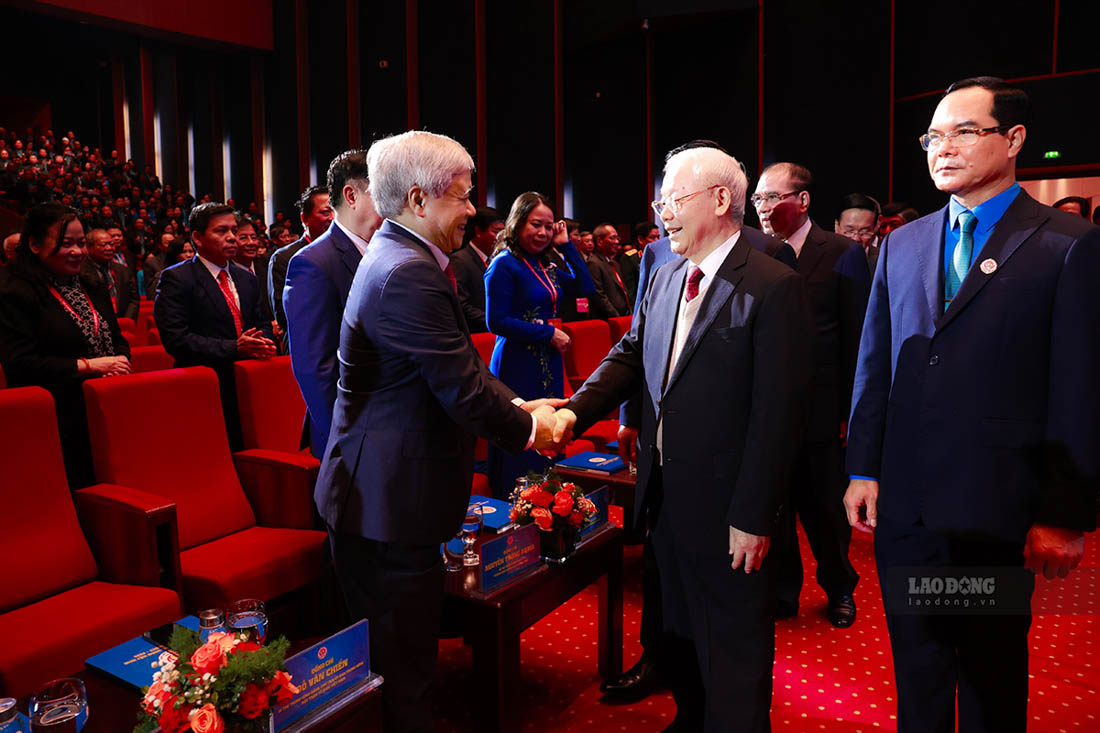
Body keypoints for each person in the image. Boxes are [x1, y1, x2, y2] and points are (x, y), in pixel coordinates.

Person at [844, 76, 1100, 732]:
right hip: (908, 512)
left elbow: (1078, 388)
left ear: (1013, 139)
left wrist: (1064, 513)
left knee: (989, 678)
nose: (943, 147)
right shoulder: (902, 243)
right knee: (919, 671)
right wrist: (864, 467)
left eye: (965, 131)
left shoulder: (1065, 243)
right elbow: (875, 365)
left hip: (996, 513)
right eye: (933, 135)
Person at [314, 130, 564, 733]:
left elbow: (461, 367)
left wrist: (522, 402)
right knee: (404, 675)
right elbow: (462, 388)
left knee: (410, 660)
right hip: (384, 507)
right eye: (463, 196)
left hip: (393, 500)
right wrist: (533, 429)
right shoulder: (407, 272)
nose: (475, 209)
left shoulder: (410, 257)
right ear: (420, 201)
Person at [553, 144, 810, 731]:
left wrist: (753, 515)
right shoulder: (666, 275)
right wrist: (573, 413)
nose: (661, 212)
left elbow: (778, 415)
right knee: (683, 628)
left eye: (672, 199)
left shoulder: (773, 284)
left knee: (734, 644)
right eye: (659, 200)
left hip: (730, 505)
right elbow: (630, 354)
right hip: (665, 490)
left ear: (721, 200)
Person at [751, 162, 870, 627]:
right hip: (767, 408)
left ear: (802, 201)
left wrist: (849, 412)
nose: (761, 207)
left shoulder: (841, 251)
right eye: (757, 199)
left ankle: (840, 587)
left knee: (826, 511)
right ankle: (783, 591)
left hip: (823, 412)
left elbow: (858, 339)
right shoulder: (754, 251)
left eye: (771, 197)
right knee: (774, 506)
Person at [0, 203, 131, 488]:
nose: (77, 252)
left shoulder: (88, 282)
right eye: (66, 244)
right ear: (34, 245)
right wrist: (88, 366)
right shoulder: (14, 290)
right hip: (53, 417)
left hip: (104, 404)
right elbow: (20, 363)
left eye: (81, 243)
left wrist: (118, 362)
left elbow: (116, 337)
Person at [484, 191, 596, 497]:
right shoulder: (504, 265)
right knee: (522, 430)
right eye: (536, 225)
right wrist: (547, 333)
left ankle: (546, 502)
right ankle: (515, 500)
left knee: (549, 429)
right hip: (517, 361)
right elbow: (496, 321)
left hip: (548, 359)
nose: (544, 233)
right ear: (518, 223)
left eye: (549, 227)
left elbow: (585, 287)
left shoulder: (542, 263)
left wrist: (566, 246)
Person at [284, 149, 382, 458]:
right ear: (351, 195)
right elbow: (316, 369)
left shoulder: (388, 252)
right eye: (384, 192)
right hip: (353, 435)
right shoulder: (313, 263)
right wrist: (347, 440)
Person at [153, 202, 276, 451]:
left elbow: (262, 321)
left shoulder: (246, 278)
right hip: (203, 384)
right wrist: (235, 347)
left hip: (248, 381)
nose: (231, 238)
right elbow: (176, 339)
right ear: (197, 237)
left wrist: (261, 340)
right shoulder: (177, 278)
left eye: (233, 230)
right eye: (221, 231)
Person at [268, 186, 334, 347]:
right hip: (305, 346)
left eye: (335, 210)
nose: (332, 217)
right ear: (305, 219)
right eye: (325, 212)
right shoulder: (285, 257)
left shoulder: (343, 251)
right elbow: (284, 316)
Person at [451, 206, 503, 333]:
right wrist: (495, 321)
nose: (501, 238)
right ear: (479, 231)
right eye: (496, 232)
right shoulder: (460, 260)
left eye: (503, 232)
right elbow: (461, 305)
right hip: (476, 335)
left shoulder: (497, 260)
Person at [79, 227, 139, 320]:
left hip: (122, 323)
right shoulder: (79, 272)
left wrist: (127, 320)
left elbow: (133, 300)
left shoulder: (122, 270)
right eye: (103, 245)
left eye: (112, 244)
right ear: (88, 247)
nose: (109, 248)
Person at [585, 222, 631, 318]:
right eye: (612, 238)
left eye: (617, 238)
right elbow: (599, 296)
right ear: (600, 241)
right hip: (608, 320)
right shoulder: (594, 263)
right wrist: (616, 317)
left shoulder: (615, 263)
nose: (617, 242)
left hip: (623, 318)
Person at [835, 192, 882, 275]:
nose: (856, 238)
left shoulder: (882, 261)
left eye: (865, 232)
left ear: (875, 228)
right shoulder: (821, 258)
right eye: (850, 231)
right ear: (836, 226)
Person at [617, 221, 659, 304]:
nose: (657, 241)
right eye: (652, 237)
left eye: (658, 237)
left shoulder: (660, 257)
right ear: (640, 239)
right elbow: (630, 290)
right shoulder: (630, 258)